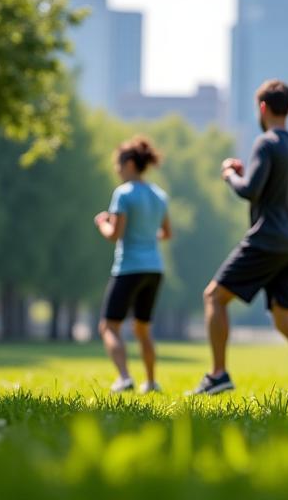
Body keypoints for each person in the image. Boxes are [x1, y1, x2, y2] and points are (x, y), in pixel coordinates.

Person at [191, 79, 288, 401]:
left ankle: (218, 375)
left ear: (262, 108)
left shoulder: (265, 144)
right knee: (286, 320)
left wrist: (230, 174)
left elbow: (249, 190)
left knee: (214, 297)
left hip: (267, 238)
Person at [95, 136, 171, 394]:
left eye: (118, 163)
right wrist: (148, 237)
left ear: (129, 163)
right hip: (154, 269)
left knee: (108, 326)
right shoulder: (159, 195)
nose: (117, 169)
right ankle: (150, 382)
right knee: (143, 328)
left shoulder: (123, 194)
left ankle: (125, 378)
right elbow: (167, 233)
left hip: (129, 268)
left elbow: (115, 234)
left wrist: (102, 223)